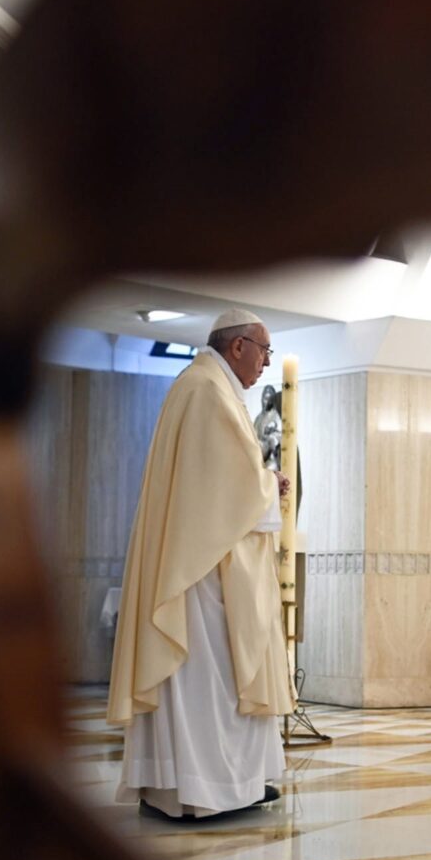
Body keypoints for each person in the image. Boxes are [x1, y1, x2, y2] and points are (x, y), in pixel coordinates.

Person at [108, 307, 294, 820]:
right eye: (264, 351)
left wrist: (260, 481)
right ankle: (211, 790)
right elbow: (228, 488)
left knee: (198, 684)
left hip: (194, 562)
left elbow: (215, 480)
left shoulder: (197, 386)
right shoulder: (209, 391)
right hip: (204, 574)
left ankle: (175, 786)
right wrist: (268, 482)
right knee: (212, 684)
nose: (265, 364)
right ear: (238, 346)